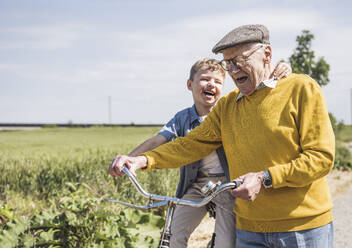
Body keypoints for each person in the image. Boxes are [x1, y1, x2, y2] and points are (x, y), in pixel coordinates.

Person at [109, 24, 335, 248]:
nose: (234, 69)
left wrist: (264, 177)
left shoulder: (301, 88)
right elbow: (189, 145)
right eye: (229, 63)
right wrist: (141, 160)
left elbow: (321, 158)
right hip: (249, 231)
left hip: (302, 229)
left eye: (241, 59)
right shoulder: (227, 106)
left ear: (267, 54)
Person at [119, 57, 291, 248]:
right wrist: (129, 159)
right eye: (205, 79)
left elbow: (259, 91)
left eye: (218, 82)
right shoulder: (181, 118)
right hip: (196, 185)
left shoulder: (230, 111)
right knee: (173, 235)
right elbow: (156, 141)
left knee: (225, 243)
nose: (211, 84)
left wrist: (281, 70)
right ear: (189, 84)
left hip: (227, 185)